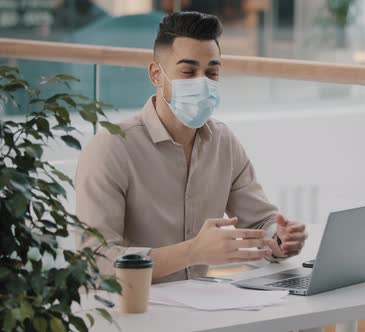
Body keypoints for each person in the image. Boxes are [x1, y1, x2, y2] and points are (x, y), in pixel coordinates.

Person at [75, 11, 307, 284]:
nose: (202, 82)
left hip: (197, 308)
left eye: (212, 72)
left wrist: (279, 239)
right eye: (188, 71)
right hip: (130, 311)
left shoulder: (223, 142)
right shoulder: (111, 148)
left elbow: (259, 223)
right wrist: (192, 252)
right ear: (155, 75)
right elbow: (96, 258)